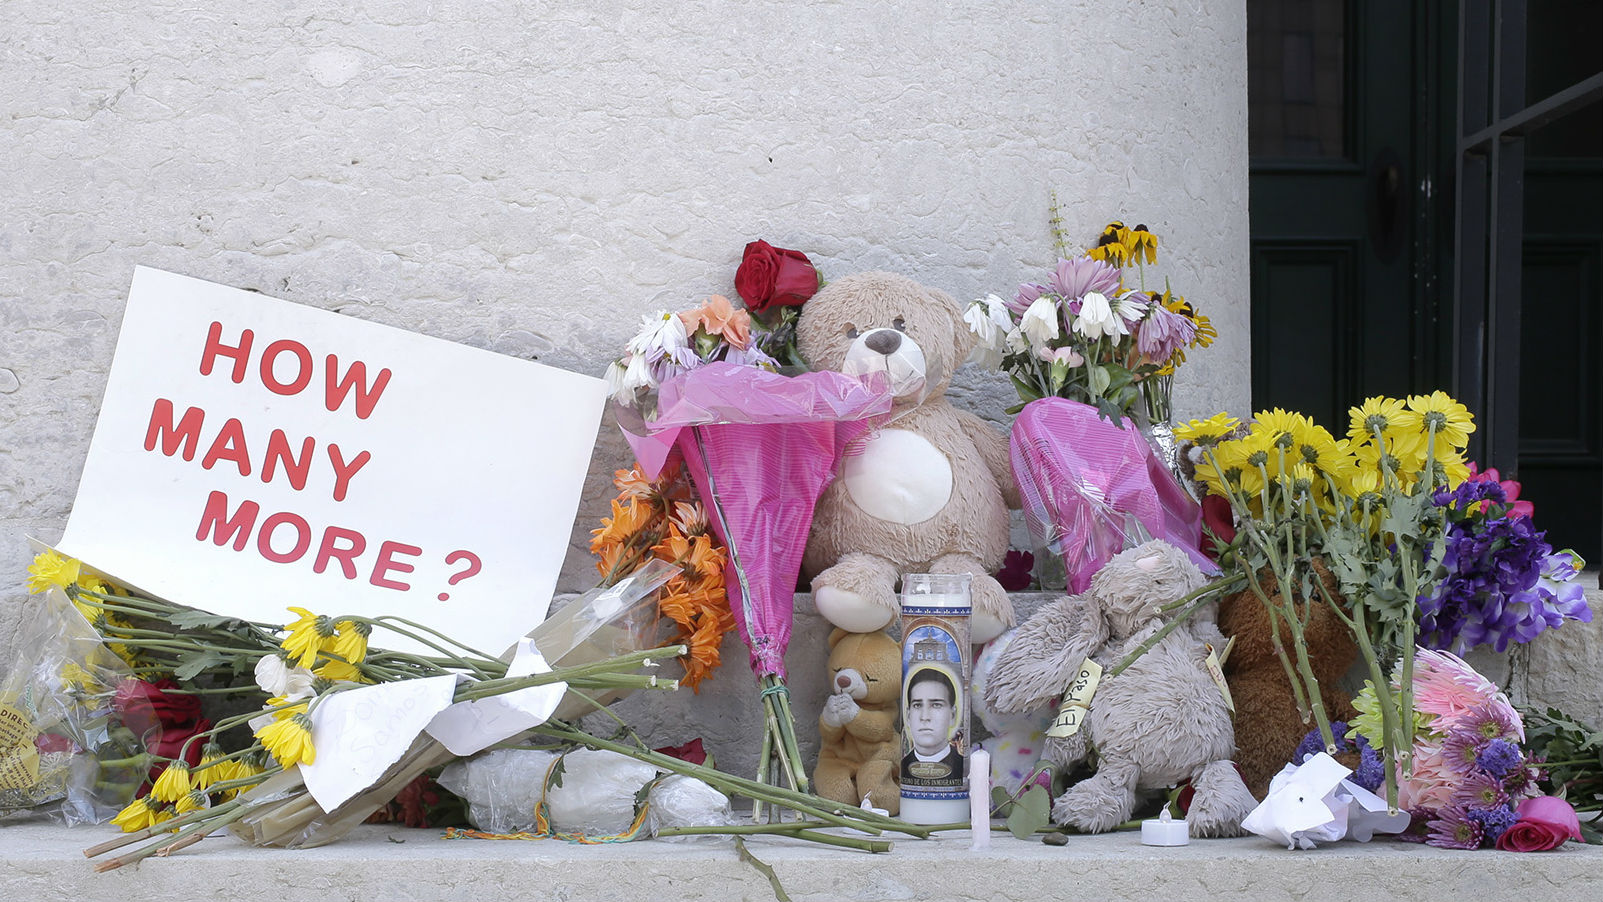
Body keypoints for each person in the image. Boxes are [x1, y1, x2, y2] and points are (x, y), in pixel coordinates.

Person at [901, 667, 962, 780]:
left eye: (936, 705)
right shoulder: (901, 768)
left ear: (952, 715)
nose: (925, 717)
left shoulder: (963, 767)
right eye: (917, 705)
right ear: (908, 716)